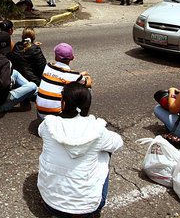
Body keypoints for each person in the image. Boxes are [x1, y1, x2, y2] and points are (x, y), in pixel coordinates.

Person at [38, 83, 123, 218]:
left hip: (50, 204)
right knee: (105, 151)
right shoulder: (97, 129)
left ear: (63, 103)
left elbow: (40, 132)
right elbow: (118, 143)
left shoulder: (49, 124)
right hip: (85, 208)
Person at [0, 31, 38, 113]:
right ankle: (40, 95)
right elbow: (4, 84)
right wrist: (11, 82)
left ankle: (38, 94)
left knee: (15, 73)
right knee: (32, 86)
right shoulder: (5, 62)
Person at [36, 43, 92, 119]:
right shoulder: (73, 75)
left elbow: (61, 76)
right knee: (85, 89)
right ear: (72, 58)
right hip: (57, 118)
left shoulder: (48, 66)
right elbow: (89, 83)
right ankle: (82, 117)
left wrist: (79, 76)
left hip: (40, 114)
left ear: (55, 57)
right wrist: (87, 77)